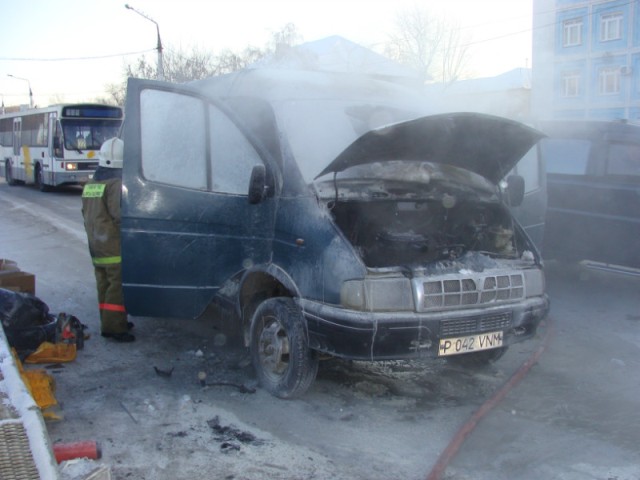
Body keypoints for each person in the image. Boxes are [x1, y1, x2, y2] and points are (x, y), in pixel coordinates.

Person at [81, 137, 134, 342]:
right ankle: (114, 327)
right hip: (112, 244)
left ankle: (108, 320)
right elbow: (119, 214)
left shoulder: (92, 183)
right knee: (117, 286)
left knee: (103, 283)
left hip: (96, 243)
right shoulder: (115, 184)